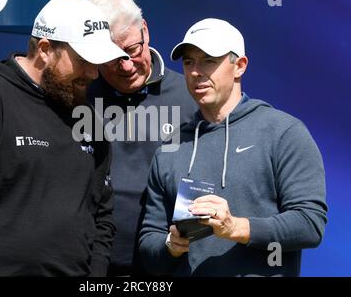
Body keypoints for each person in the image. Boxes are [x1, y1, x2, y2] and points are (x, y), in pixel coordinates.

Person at [0, 0, 128, 276]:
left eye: (97, 62)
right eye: (84, 59)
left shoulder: (88, 117)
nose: (93, 73)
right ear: (45, 49)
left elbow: (102, 216)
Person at [139, 18, 328, 276]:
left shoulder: (283, 132)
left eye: (209, 60)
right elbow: (150, 240)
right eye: (188, 62)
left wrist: (236, 227)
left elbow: (309, 223)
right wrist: (170, 246)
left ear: (239, 66)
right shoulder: (172, 146)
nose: (196, 72)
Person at [87, 0, 198, 276]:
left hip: (171, 265)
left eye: (132, 50)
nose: (125, 66)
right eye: (111, 57)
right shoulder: (79, 98)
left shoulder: (191, 98)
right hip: (92, 264)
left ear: (145, 31)